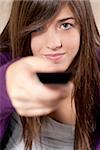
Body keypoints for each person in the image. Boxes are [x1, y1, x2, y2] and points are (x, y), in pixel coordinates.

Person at [0, 0, 100, 150]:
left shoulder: (96, 70)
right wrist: (7, 84)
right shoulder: (6, 59)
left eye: (65, 25)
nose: (54, 43)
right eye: (39, 27)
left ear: (83, 25)